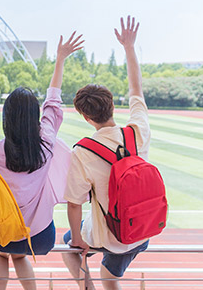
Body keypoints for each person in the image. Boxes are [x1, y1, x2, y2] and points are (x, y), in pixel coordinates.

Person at [0, 32, 85, 290]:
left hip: (2, 235)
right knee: (19, 255)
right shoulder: (46, 143)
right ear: (34, 116)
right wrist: (60, 59)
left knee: (1, 254)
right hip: (40, 237)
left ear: (6, 118)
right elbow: (53, 103)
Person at [61, 16, 150, 290]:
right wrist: (129, 47)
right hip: (144, 228)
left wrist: (77, 240)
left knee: (68, 247)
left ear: (86, 118)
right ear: (113, 106)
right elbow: (136, 90)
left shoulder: (83, 151)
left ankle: (88, 286)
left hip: (111, 235)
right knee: (110, 273)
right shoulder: (137, 131)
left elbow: (74, 203)